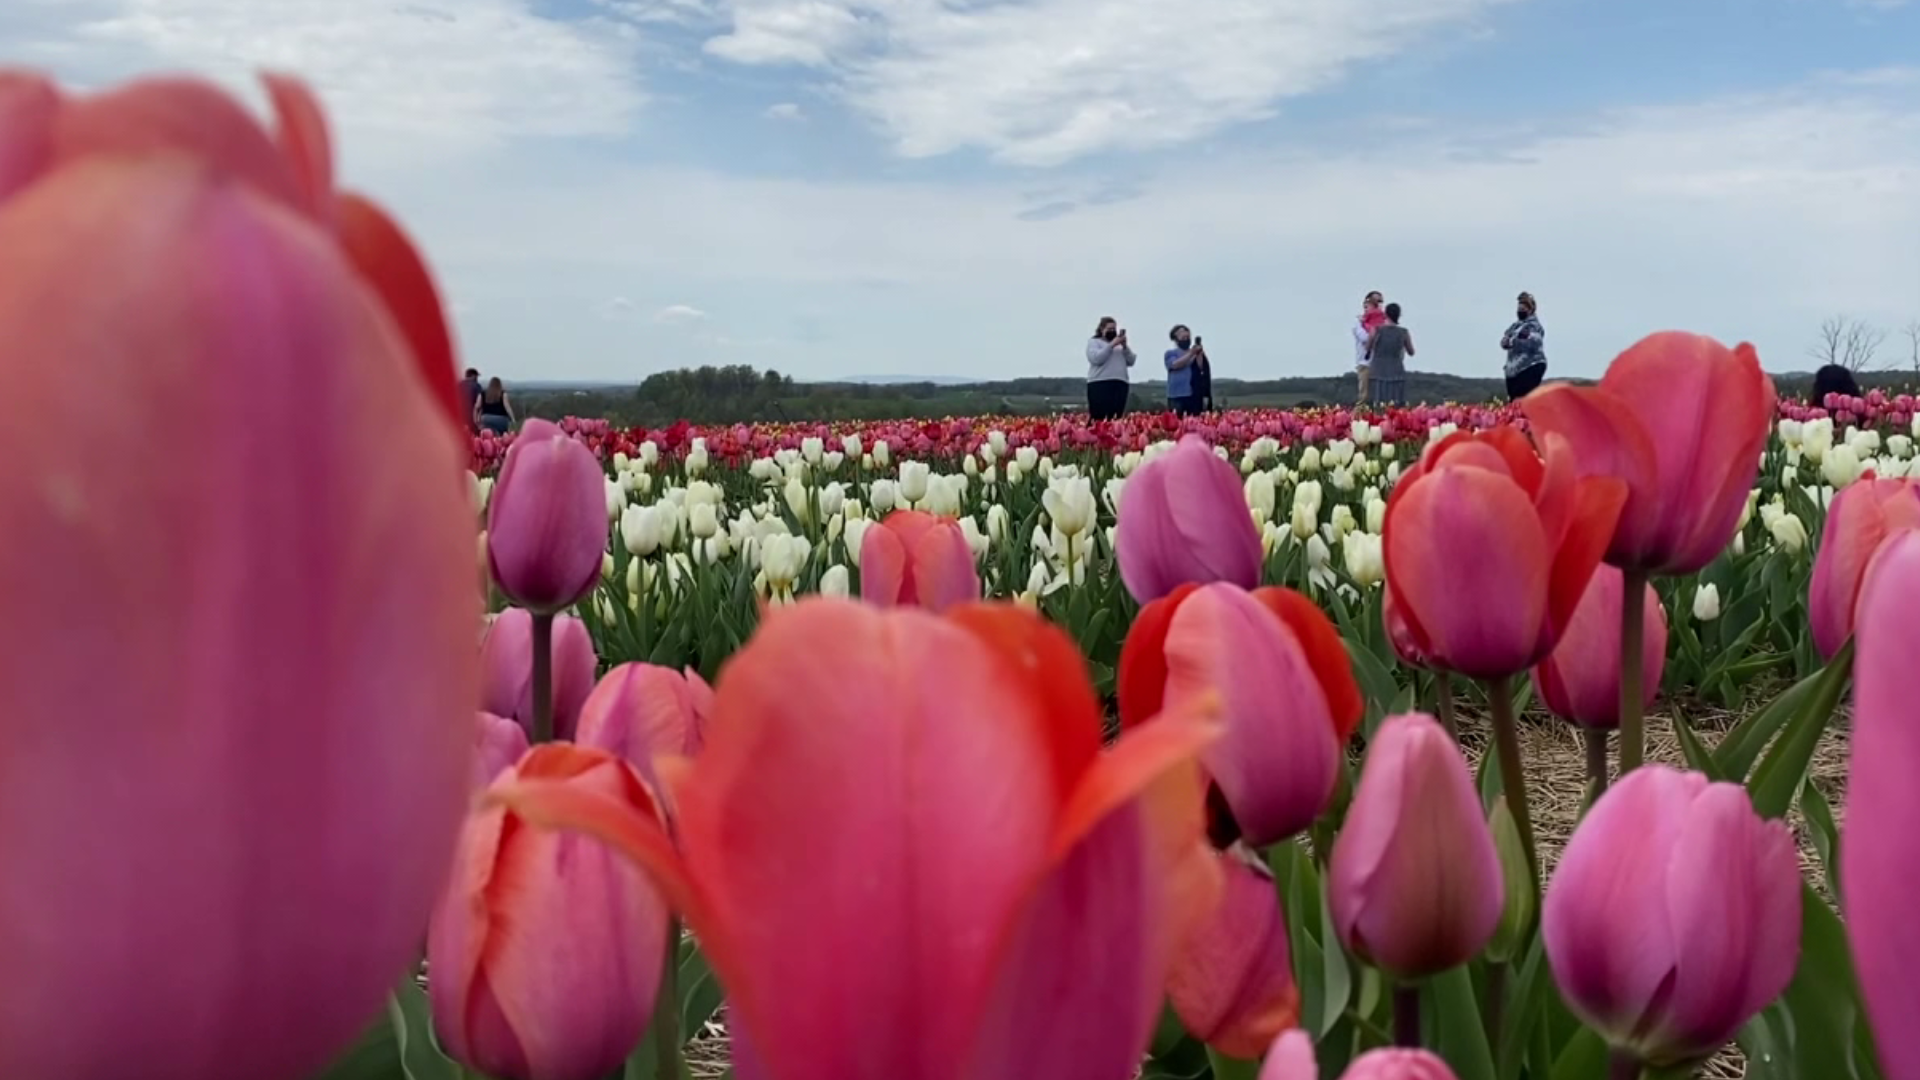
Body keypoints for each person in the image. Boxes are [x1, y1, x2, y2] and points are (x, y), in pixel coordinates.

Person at [1364, 303, 1415, 407]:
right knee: (1396, 405)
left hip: (1378, 370)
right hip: (1397, 371)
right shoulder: (1404, 332)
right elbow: (1411, 352)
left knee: (1378, 404)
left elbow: (1367, 347)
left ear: (1385, 314)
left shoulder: (1376, 330)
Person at [1086, 316, 1136, 420]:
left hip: (1120, 383)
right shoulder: (1094, 342)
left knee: (1116, 416)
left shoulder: (1120, 346)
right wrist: (1111, 345)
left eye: (1114, 329)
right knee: (1099, 416)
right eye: (1109, 329)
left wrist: (1125, 346)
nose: (1112, 331)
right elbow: (1097, 359)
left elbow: (1131, 361)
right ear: (1101, 329)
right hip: (1100, 383)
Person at [1501, 291, 1548, 400]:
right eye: (1519, 309)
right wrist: (1506, 342)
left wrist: (1515, 342)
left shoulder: (1534, 326)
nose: (1520, 311)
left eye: (1523, 309)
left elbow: (1535, 341)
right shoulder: (1514, 326)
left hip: (1530, 366)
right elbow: (1505, 339)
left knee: (1524, 399)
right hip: (1514, 368)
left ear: (1530, 310)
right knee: (1514, 400)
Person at [1353, 291, 1388, 404]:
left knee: (1381, 398)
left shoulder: (1384, 320)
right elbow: (1364, 338)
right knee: (1364, 397)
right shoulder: (1358, 323)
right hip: (1365, 363)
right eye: (1375, 301)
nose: (1378, 304)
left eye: (1380, 301)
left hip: (1381, 364)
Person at [1165, 325, 1207, 416]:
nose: (1186, 339)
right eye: (1183, 337)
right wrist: (1191, 353)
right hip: (1176, 395)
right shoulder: (1170, 353)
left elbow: (1200, 367)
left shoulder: (1194, 353)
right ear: (1176, 339)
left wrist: (1199, 354)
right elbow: (1175, 365)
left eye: (1188, 337)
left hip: (1192, 394)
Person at [458, 368, 483, 433]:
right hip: (472, 415)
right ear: (473, 376)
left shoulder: (459, 385)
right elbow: (479, 402)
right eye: (477, 376)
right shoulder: (477, 386)